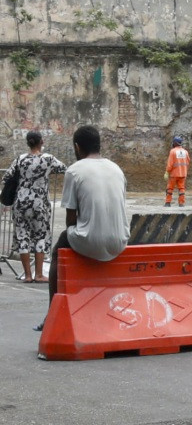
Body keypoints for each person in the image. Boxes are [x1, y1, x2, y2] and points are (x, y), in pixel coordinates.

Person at [40, 125, 128, 328]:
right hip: (120, 241)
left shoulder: (74, 171)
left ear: (77, 147)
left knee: (59, 248)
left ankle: (52, 313)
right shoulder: (116, 168)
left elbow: (71, 219)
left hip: (91, 241)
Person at [3, 131, 66, 283]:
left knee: (22, 234)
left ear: (28, 143)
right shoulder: (48, 159)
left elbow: (7, 177)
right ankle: (39, 274)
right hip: (39, 203)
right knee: (40, 236)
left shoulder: (20, 159)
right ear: (41, 142)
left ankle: (28, 275)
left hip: (21, 201)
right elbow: (65, 169)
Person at [164, 135, 190, 207]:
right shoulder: (185, 152)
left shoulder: (173, 151)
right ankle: (181, 203)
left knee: (170, 188)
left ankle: (167, 203)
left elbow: (170, 163)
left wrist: (167, 172)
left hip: (174, 174)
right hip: (183, 174)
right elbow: (187, 162)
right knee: (181, 189)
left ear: (175, 143)